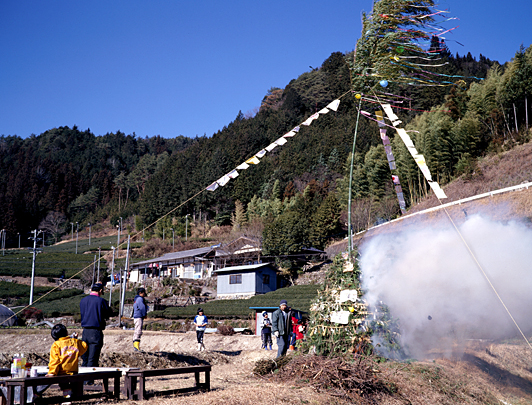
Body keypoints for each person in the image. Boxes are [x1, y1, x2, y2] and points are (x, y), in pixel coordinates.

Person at [35, 324, 88, 402]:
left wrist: (52, 372)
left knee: (43, 377)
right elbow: (84, 346)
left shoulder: (56, 345)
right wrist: (75, 340)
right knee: (64, 379)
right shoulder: (74, 342)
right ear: (66, 332)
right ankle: (67, 395)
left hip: (61, 371)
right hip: (73, 370)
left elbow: (54, 361)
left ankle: (37, 393)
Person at [79, 282, 110, 367]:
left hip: (85, 332)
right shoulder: (101, 301)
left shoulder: (83, 300)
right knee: (92, 359)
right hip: (96, 332)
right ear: (100, 290)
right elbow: (107, 314)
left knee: (85, 359)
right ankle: (89, 380)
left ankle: (82, 379)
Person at [132, 287, 148, 352]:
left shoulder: (136, 299)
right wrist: (145, 314)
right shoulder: (140, 299)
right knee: (138, 331)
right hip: (139, 317)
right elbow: (142, 307)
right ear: (140, 293)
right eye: (144, 292)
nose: (145, 294)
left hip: (136, 317)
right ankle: (136, 347)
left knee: (136, 332)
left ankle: (136, 347)